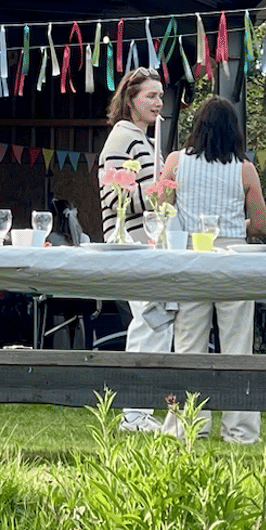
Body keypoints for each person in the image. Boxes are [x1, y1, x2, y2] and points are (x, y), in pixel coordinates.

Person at [160, 96, 266, 444]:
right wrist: (238, 226)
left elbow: (161, 209)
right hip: (233, 259)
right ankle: (240, 430)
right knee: (238, 347)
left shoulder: (175, 162)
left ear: (197, 127)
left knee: (189, 345)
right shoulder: (244, 169)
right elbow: (262, 224)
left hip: (191, 259)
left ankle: (189, 425)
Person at [99, 67, 168, 432]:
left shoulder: (141, 138)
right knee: (149, 320)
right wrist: (164, 189)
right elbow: (114, 197)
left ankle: (141, 408)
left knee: (156, 320)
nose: (158, 102)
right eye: (150, 96)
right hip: (130, 240)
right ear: (130, 100)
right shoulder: (123, 138)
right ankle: (134, 412)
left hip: (145, 241)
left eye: (160, 96)